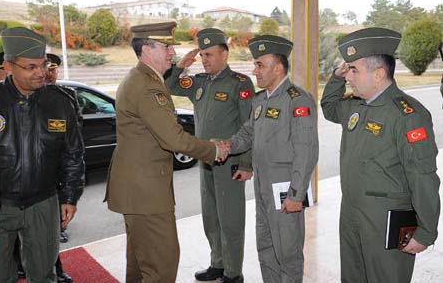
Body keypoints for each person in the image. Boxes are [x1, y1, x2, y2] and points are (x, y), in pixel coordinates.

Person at [104, 21, 228, 283]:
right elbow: (173, 137)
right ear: (147, 50)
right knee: (162, 265)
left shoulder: (141, 78)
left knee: (139, 264)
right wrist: (213, 149)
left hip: (137, 190)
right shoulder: (148, 86)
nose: (172, 52)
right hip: (146, 194)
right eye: (167, 46)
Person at [321, 27, 441, 283]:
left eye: (354, 70)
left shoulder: (407, 115)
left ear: (378, 74)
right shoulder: (355, 105)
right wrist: (336, 76)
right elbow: (329, 108)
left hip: (385, 220)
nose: (349, 77)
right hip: (351, 214)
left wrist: (426, 231)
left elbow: (423, 177)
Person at [0, 27, 85, 283]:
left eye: (43, 65)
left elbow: (73, 154)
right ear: (8, 66)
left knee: (44, 274)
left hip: (43, 203)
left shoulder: (61, 101)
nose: (41, 72)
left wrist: (69, 195)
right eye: (31, 67)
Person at [222, 35, 319, 283]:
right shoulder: (259, 101)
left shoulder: (297, 99)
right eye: (255, 65)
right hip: (263, 187)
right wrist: (227, 145)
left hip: (285, 188)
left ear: (278, 68)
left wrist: (296, 195)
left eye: (259, 64)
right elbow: (247, 133)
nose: (254, 70)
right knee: (266, 248)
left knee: (288, 253)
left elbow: (306, 151)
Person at [165, 28, 255, 283]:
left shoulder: (240, 83)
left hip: (230, 162)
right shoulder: (199, 83)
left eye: (210, 54)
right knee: (211, 216)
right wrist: (181, 64)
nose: (204, 60)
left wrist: (247, 163)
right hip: (206, 161)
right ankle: (217, 263)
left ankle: (233, 272)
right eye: (202, 54)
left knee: (231, 219)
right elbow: (169, 85)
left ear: (225, 54)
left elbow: (249, 125)